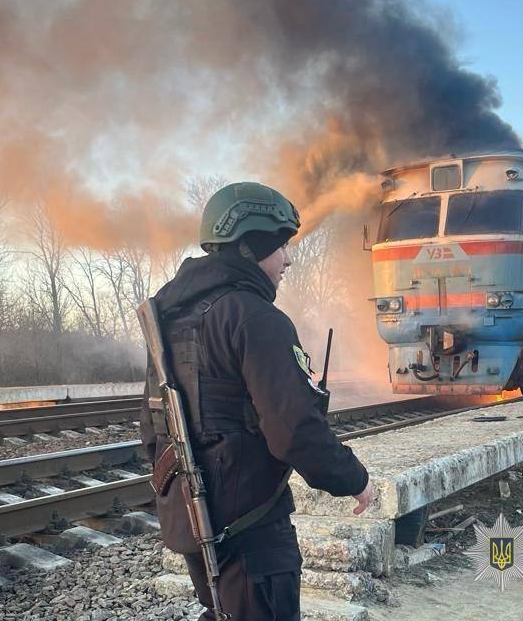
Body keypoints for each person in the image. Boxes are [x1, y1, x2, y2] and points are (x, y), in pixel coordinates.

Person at [140, 181, 375, 621]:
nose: (287, 259)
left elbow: (152, 428)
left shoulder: (170, 318)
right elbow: (295, 431)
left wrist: (185, 499)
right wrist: (355, 479)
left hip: (195, 519)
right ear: (251, 246)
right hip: (252, 529)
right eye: (281, 246)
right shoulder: (255, 317)